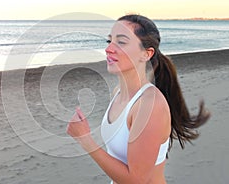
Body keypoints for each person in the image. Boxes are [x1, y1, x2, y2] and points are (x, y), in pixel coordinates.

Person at [66, 14, 210, 184]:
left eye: (121, 42)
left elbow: (137, 180)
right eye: (109, 41)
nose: (109, 49)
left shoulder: (150, 105)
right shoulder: (118, 92)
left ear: (146, 54)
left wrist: (85, 140)